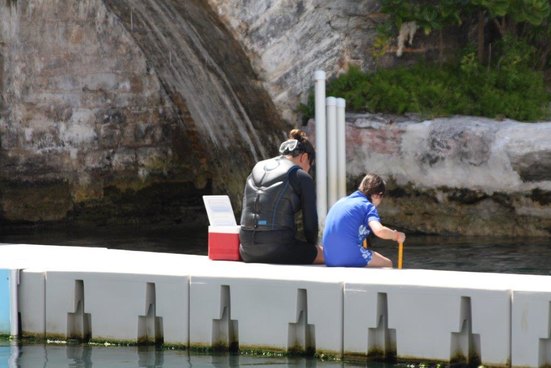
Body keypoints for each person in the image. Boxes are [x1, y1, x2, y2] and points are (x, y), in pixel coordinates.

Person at [239, 129, 324, 264]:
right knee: (326, 254)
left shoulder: (257, 167)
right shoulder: (301, 176)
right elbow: (310, 225)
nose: (308, 170)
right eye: (310, 166)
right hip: (279, 250)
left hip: (246, 250)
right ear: (305, 157)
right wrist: (312, 248)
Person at [322, 173, 406, 268]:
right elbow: (379, 231)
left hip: (329, 259)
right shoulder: (367, 206)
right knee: (387, 264)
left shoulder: (341, 202)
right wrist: (397, 235)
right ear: (377, 195)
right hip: (347, 256)